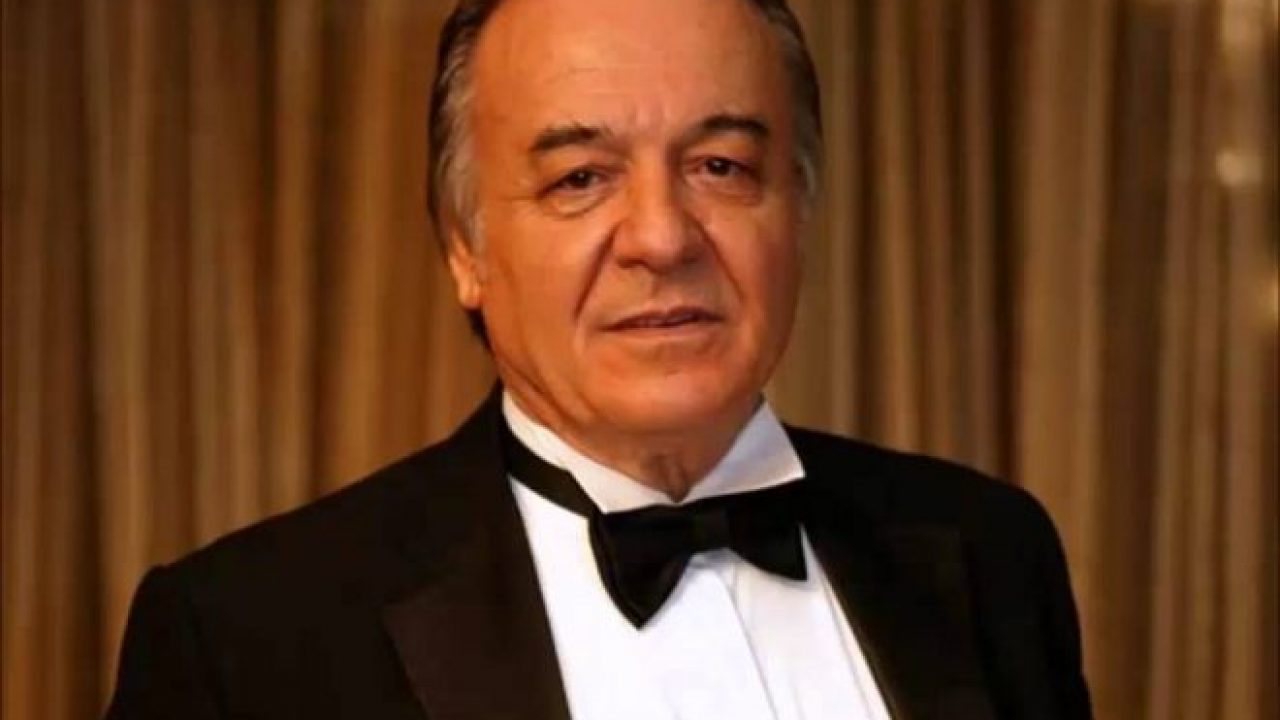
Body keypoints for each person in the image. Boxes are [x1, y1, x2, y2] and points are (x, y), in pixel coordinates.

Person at [104, 0, 1093, 718]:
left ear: (799, 209)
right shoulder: (246, 642)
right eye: (579, 178)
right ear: (464, 247)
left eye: (720, 166)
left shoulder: (989, 555)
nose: (661, 237)